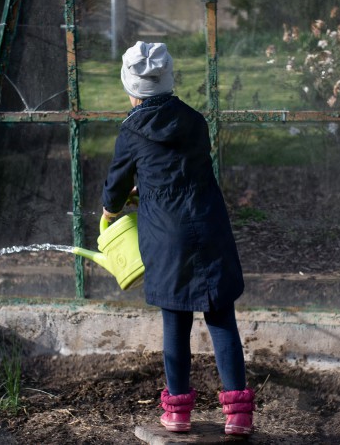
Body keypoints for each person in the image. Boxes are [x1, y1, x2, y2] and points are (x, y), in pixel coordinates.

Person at [101, 41, 255, 436]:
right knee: (221, 318)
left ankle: (178, 413)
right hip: (208, 227)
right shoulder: (195, 121)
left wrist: (110, 210)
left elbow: (117, 185)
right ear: (169, 80)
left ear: (129, 87)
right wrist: (151, 188)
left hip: (166, 239)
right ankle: (238, 415)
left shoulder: (131, 132)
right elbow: (183, 170)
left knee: (176, 322)